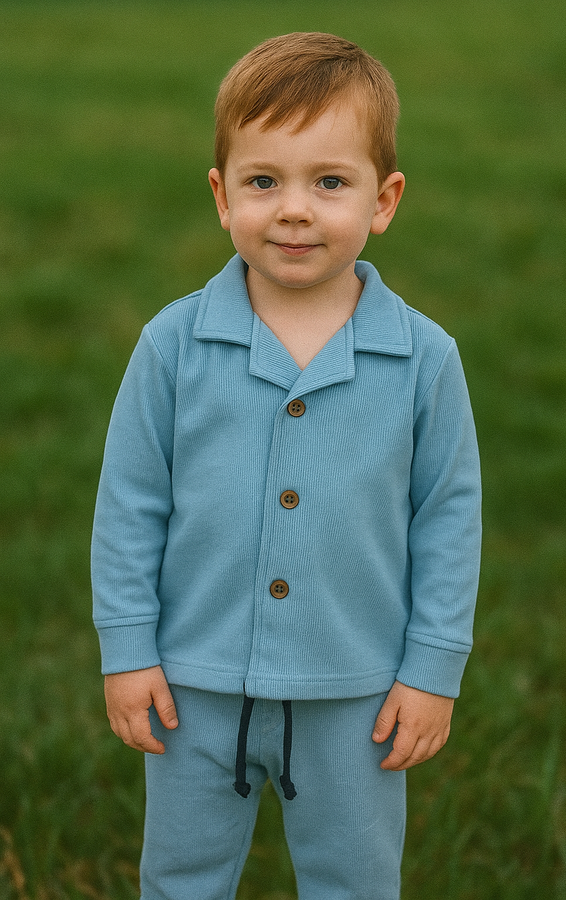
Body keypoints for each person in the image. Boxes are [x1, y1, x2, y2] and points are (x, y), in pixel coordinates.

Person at [91, 31, 481, 900]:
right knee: (181, 876)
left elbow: (448, 518)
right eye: (265, 181)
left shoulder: (423, 358)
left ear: (385, 200)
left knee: (355, 878)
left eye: (329, 182)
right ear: (221, 195)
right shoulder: (174, 344)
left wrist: (431, 671)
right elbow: (129, 503)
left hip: (360, 691)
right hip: (193, 682)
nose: (295, 209)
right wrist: (128, 649)